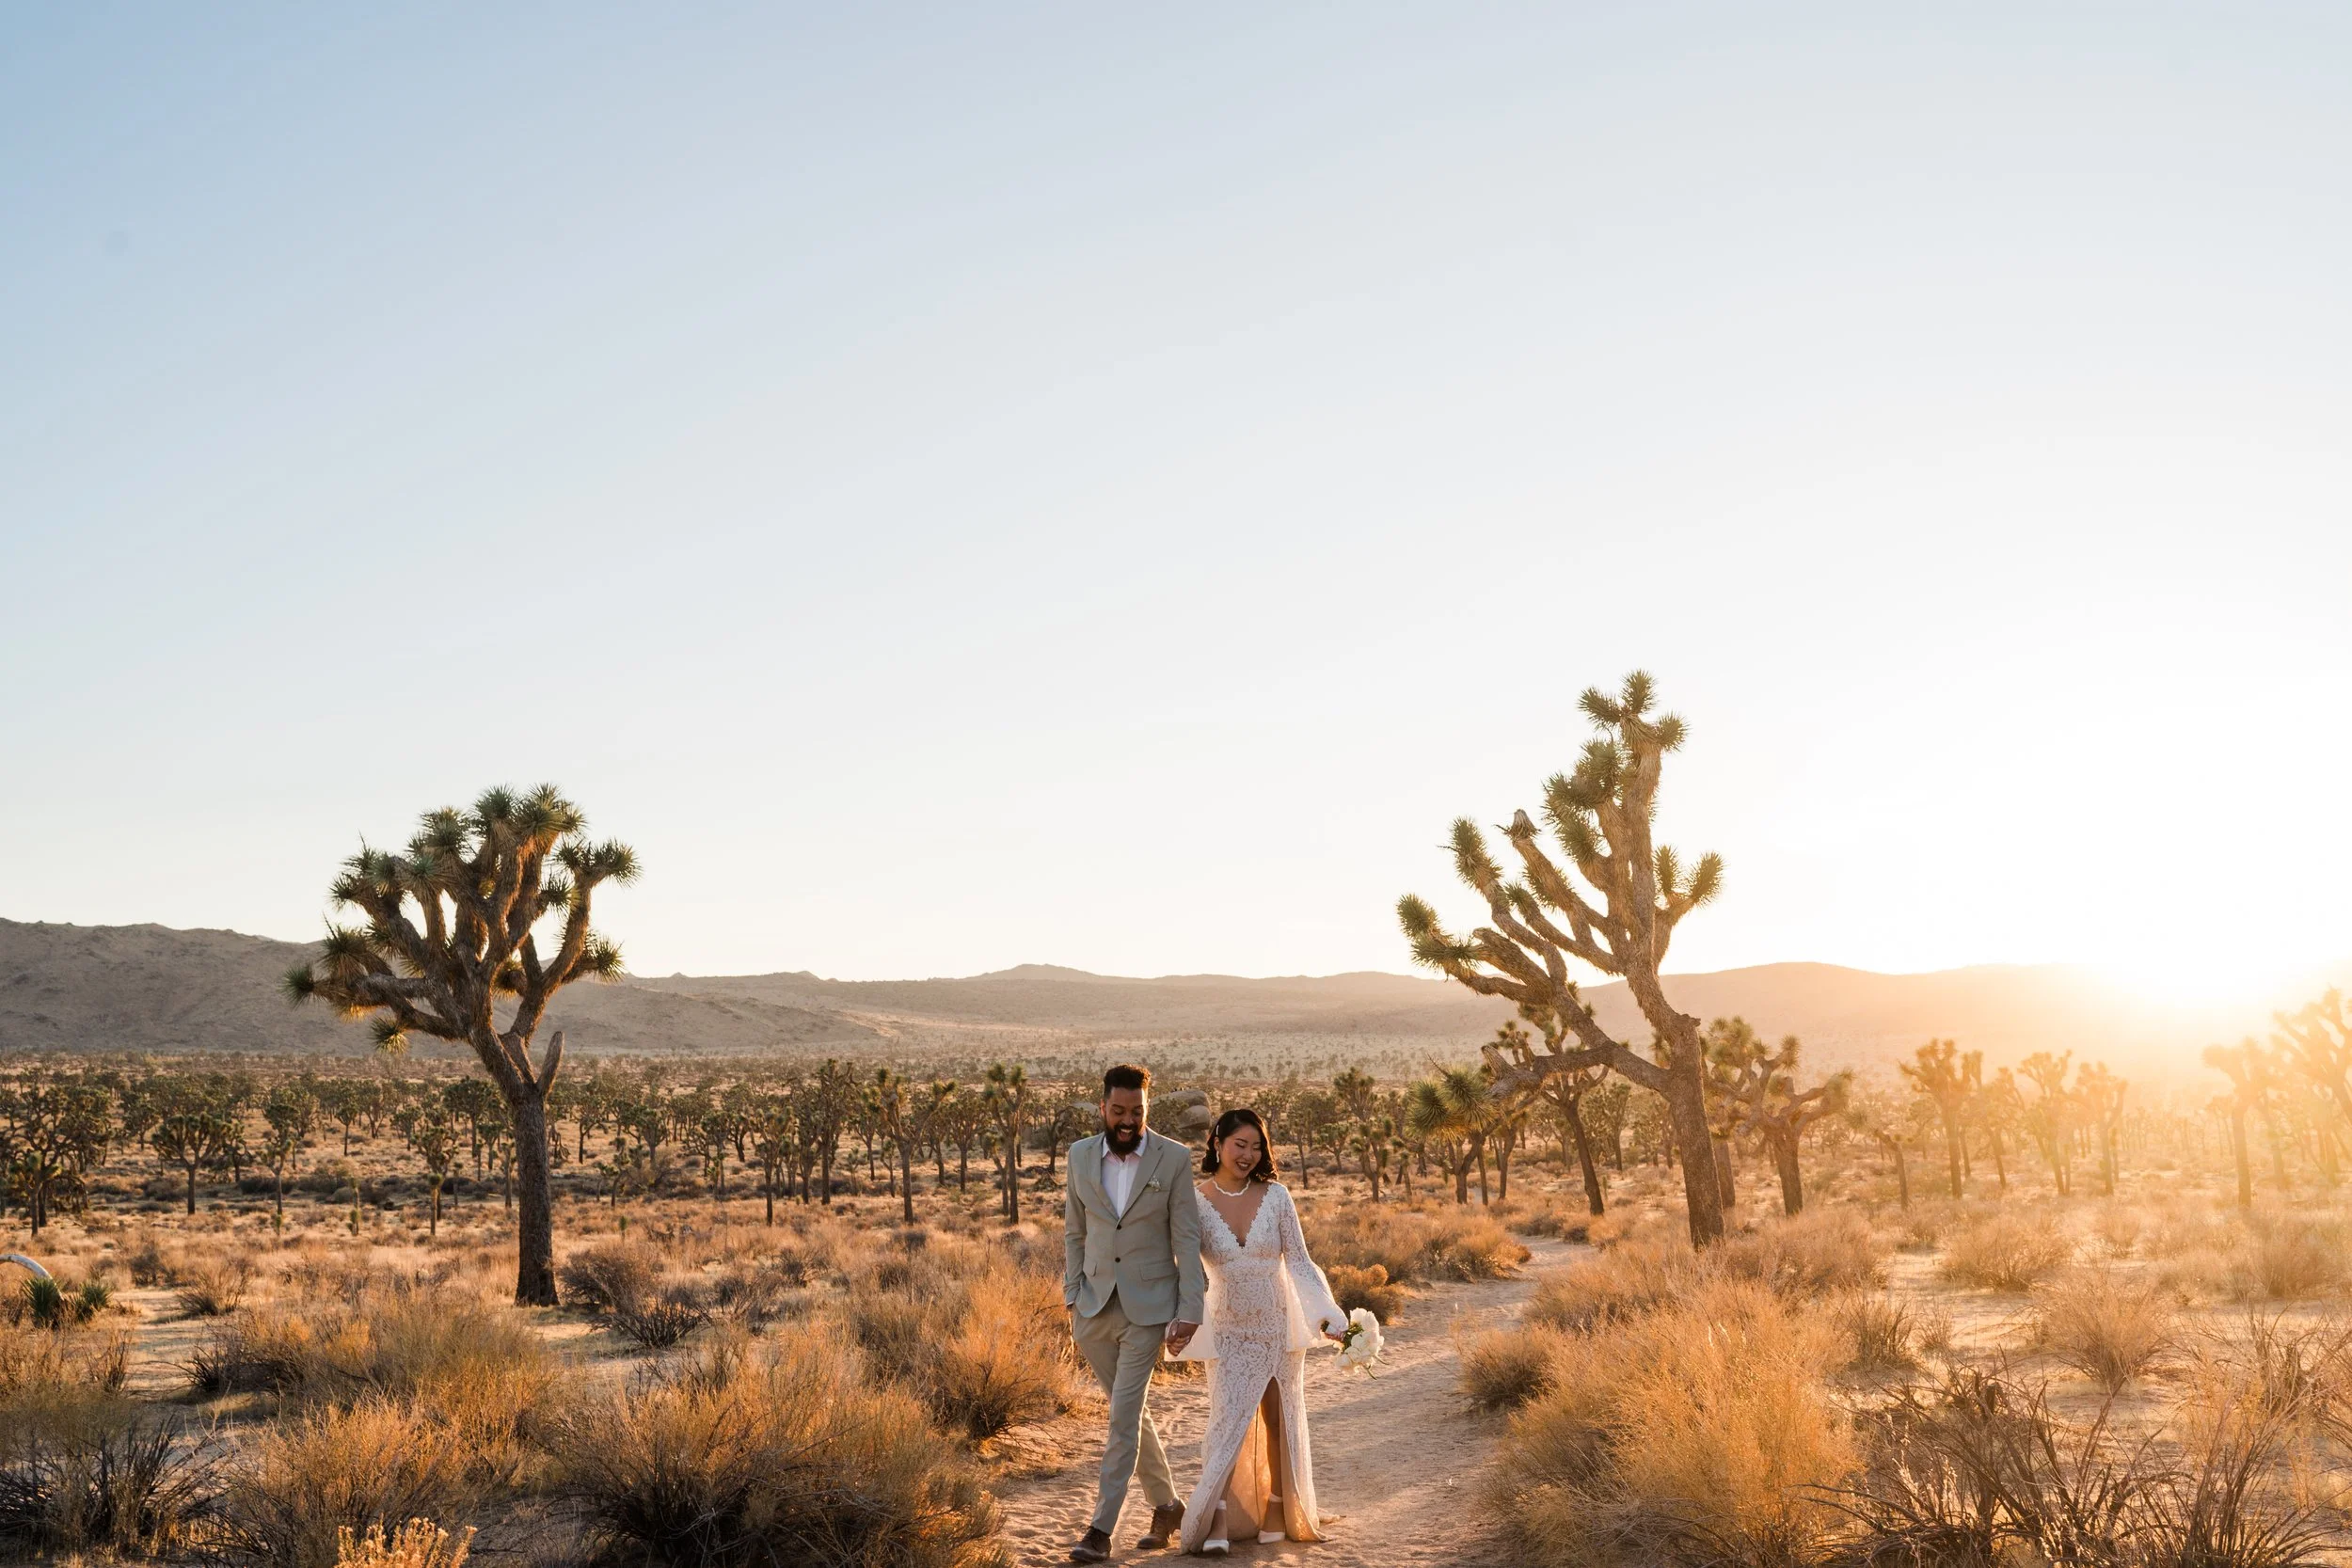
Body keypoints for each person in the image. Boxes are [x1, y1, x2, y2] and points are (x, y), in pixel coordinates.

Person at [1173, 1107, 1348, 1557]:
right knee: (1227, 1420)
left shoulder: (1277, 1196)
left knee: (1276, 1418)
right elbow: (1187, 1270)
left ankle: (1275, 1508)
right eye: (1239, 1144)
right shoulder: (1193, 1201)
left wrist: (1325, 1314)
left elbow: (1300, 1262)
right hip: (1229, 1325)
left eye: (1257, 1146)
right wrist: (1178, 1320)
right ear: (1217, 1143)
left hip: (1275, 1322)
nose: (1248, 1154)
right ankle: (1216, 1515)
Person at [1064, 1064, 1207, 1563]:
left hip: (1149, 1310)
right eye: (1119, 1111)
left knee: (1122, 1419)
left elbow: (1186, 1239)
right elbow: (1074, 1232)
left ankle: (1100, 1530)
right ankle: (1167, 1506)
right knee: (1131, 1416)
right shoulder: (1079, 1155)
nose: (1127, 1121)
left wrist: (1190, 1308)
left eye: (1137, 1111)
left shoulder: (1173, 1158)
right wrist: (1070, 1296)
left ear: (1149, 1106)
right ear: (1103, 1107)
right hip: (1094, 1308)